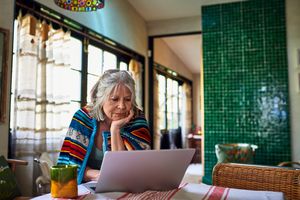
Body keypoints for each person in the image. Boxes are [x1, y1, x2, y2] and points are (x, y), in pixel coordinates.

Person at [57, 69, 151, 184]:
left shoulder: (137, 120)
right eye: (114, 99)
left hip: (127, 188)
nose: (122, 106)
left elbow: (130, 171)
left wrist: (115, 129)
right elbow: (70, 166)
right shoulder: (82, 118)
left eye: (127, 99)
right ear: (100, 99)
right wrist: (98, 175)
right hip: (85, 186)